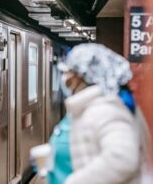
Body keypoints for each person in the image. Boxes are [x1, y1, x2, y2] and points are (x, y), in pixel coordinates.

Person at [59, 43, 141, 184]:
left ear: (83, 76)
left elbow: (123, 158)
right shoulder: (85, 108)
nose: (65, 78)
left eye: (69, 71)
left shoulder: (106, 110)